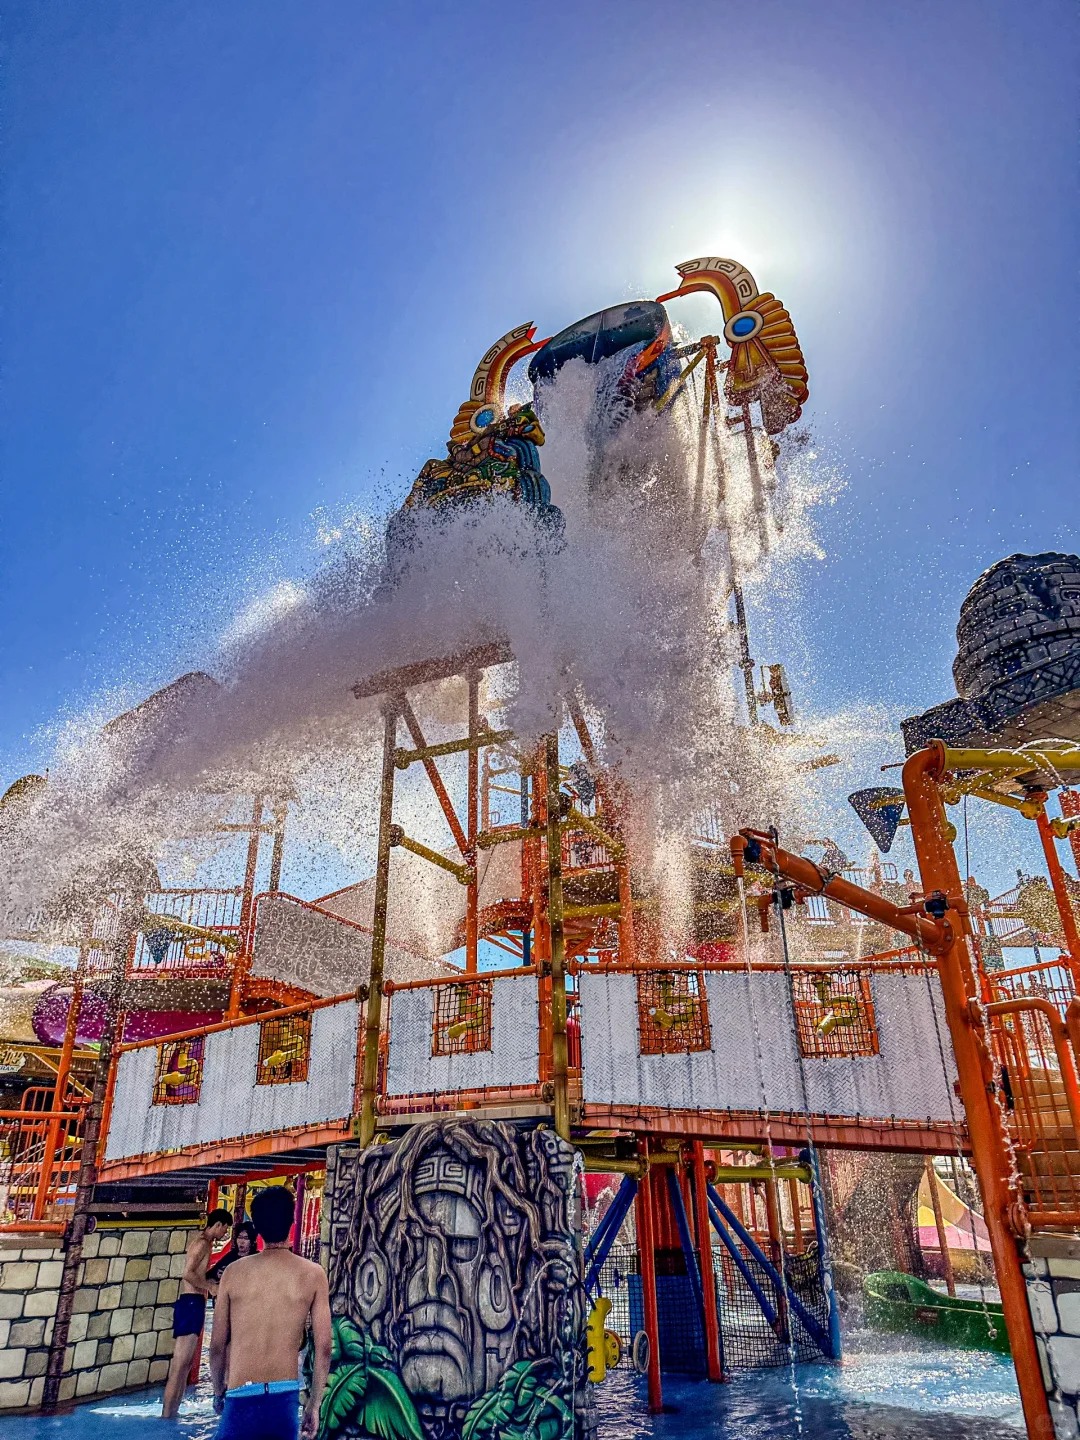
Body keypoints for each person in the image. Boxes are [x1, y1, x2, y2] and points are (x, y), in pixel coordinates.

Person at [210, 1185, 332, 1440]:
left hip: (240, 1395)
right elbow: (323, 1348)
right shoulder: (313, 1275)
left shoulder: (233, 1273)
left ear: (257, 1226)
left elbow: (217, 1346)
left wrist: (218, 1391)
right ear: (291, 1221)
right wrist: (314, 1404)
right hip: (284, 1398)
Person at [161, 1207, 232, 1419]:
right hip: (190, 1303)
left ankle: (172, 1412)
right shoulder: (201, 1244)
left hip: (194, 1303)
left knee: (184, 1365)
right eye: (225, 1229)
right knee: (180, 1364)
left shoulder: (205, 1243)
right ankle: (167, 1414)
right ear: (217, 1225)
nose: (225, 1234)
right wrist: (210, 1287)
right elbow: (188, 1274)